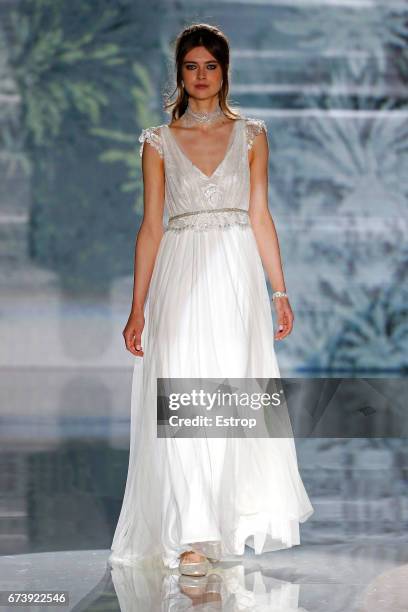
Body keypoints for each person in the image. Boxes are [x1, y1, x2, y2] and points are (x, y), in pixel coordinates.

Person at [108, 23, 314, 577]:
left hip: (236, 275)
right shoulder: (157, 141)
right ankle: (192, 534)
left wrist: (279, 290)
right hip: (179, 271)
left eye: (211, 66)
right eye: (192, 66)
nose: (201, 77)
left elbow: (260, 215)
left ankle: (220, 521)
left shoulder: (251, 134)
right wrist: (137, 307)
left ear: (224, 71)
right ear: (180, 73)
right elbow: (149, 227)